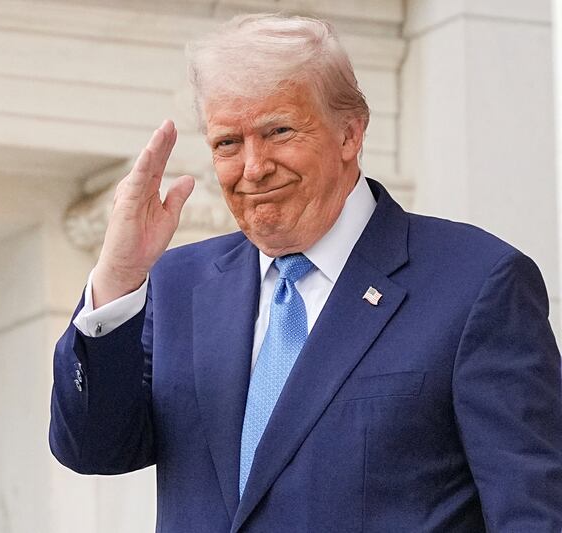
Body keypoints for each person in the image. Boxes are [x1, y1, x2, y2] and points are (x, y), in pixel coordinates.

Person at [49, 13, 562, 532]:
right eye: (228, 143)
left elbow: (534, 512)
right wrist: (117, 275)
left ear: (349, 133)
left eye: (279, 132)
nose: (254, 166)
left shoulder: (476, 283)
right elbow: (94, 448)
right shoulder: (178, 284)